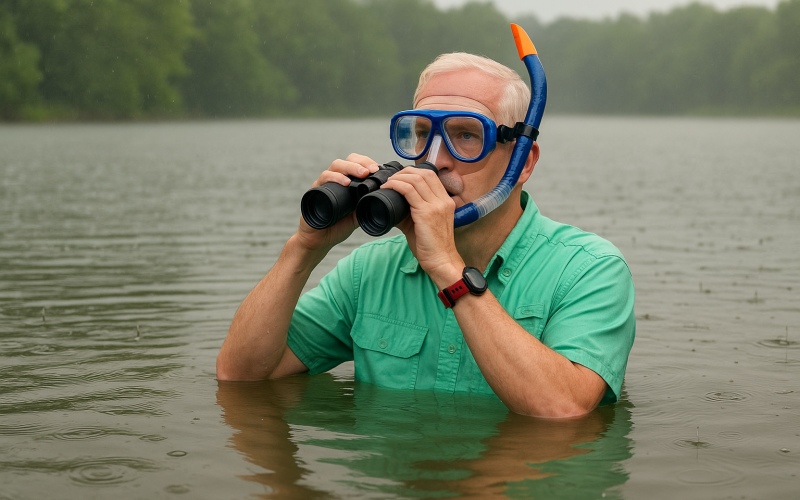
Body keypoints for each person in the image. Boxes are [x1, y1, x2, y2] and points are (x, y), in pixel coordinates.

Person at [216, 52, 635, 418]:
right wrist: (304, 249)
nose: (435, 161)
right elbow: (243, 377)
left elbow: (563, 409)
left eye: (466, 135)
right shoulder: (369, 271)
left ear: (522, 164)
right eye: (420, 135)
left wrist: (448, 269)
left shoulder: (589, 270)